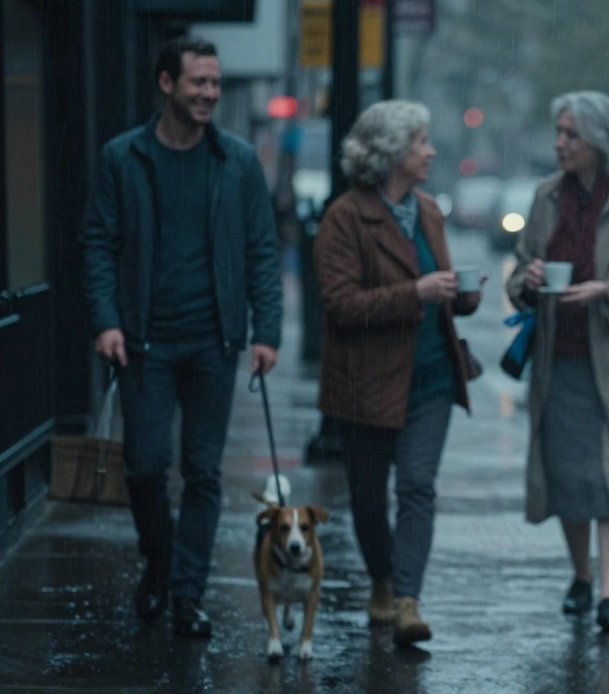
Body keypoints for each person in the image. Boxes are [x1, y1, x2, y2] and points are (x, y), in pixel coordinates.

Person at [80, 37, 283, 638]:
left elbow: (261, 250)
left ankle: (188, 595)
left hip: (213, 341)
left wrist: (265, 330)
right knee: (144, 465)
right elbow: (97, 242)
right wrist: (106, 318)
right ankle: (160, 558)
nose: (209, 94)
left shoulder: (237, 161)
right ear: (166, 83)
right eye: (198, 83)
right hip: (144, 340)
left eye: (216, 84)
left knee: (203, 472)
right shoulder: (124, 157)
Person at [313, 100, 483, 647]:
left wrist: (462, 295)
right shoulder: (344, 218)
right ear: (389, 153)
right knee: (367, 497)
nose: (431, 151)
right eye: (420, 143)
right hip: (366, 381)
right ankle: (382, 579)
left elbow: (440, 291)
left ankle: (408, 598)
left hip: (431, 377)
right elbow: (340, 304)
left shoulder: (428, 209)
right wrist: (416, 293)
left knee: (417, 487)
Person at [505, 91, 609, 633]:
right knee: (567, 474)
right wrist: (526, 280)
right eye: (558, 132)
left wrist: (608, 291)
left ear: (600, 140)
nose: (559, 143)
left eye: (570, 134)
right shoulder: (545, 196)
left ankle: (608, 591)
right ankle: (581, 574)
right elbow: (520, 267)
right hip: (560, 360)